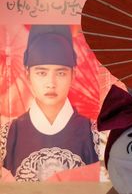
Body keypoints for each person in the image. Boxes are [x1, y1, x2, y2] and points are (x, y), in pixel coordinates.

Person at [2, 25, 99, 181]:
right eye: (41, 73)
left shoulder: (93, 134)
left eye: (61, 73)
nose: (51, 83)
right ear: (28, 75)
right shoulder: (8, 134)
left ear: (73, 75)